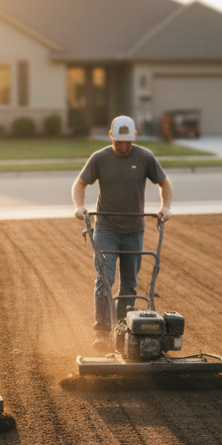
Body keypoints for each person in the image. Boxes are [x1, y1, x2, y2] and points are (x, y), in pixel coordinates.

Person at [72, 115, 173, 352]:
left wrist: (165, 207)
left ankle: (122, 328)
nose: (124, 146)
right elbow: (79, 184)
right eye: (119, 142)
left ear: (134, 137)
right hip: (106, 228)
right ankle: (103, 332)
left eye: (127, 142)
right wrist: (79, 206)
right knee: (105, 280)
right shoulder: (100, 158)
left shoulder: (145, 157)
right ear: (111, 136)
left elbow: (165, 183)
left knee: (130, 283)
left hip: (134, 230)